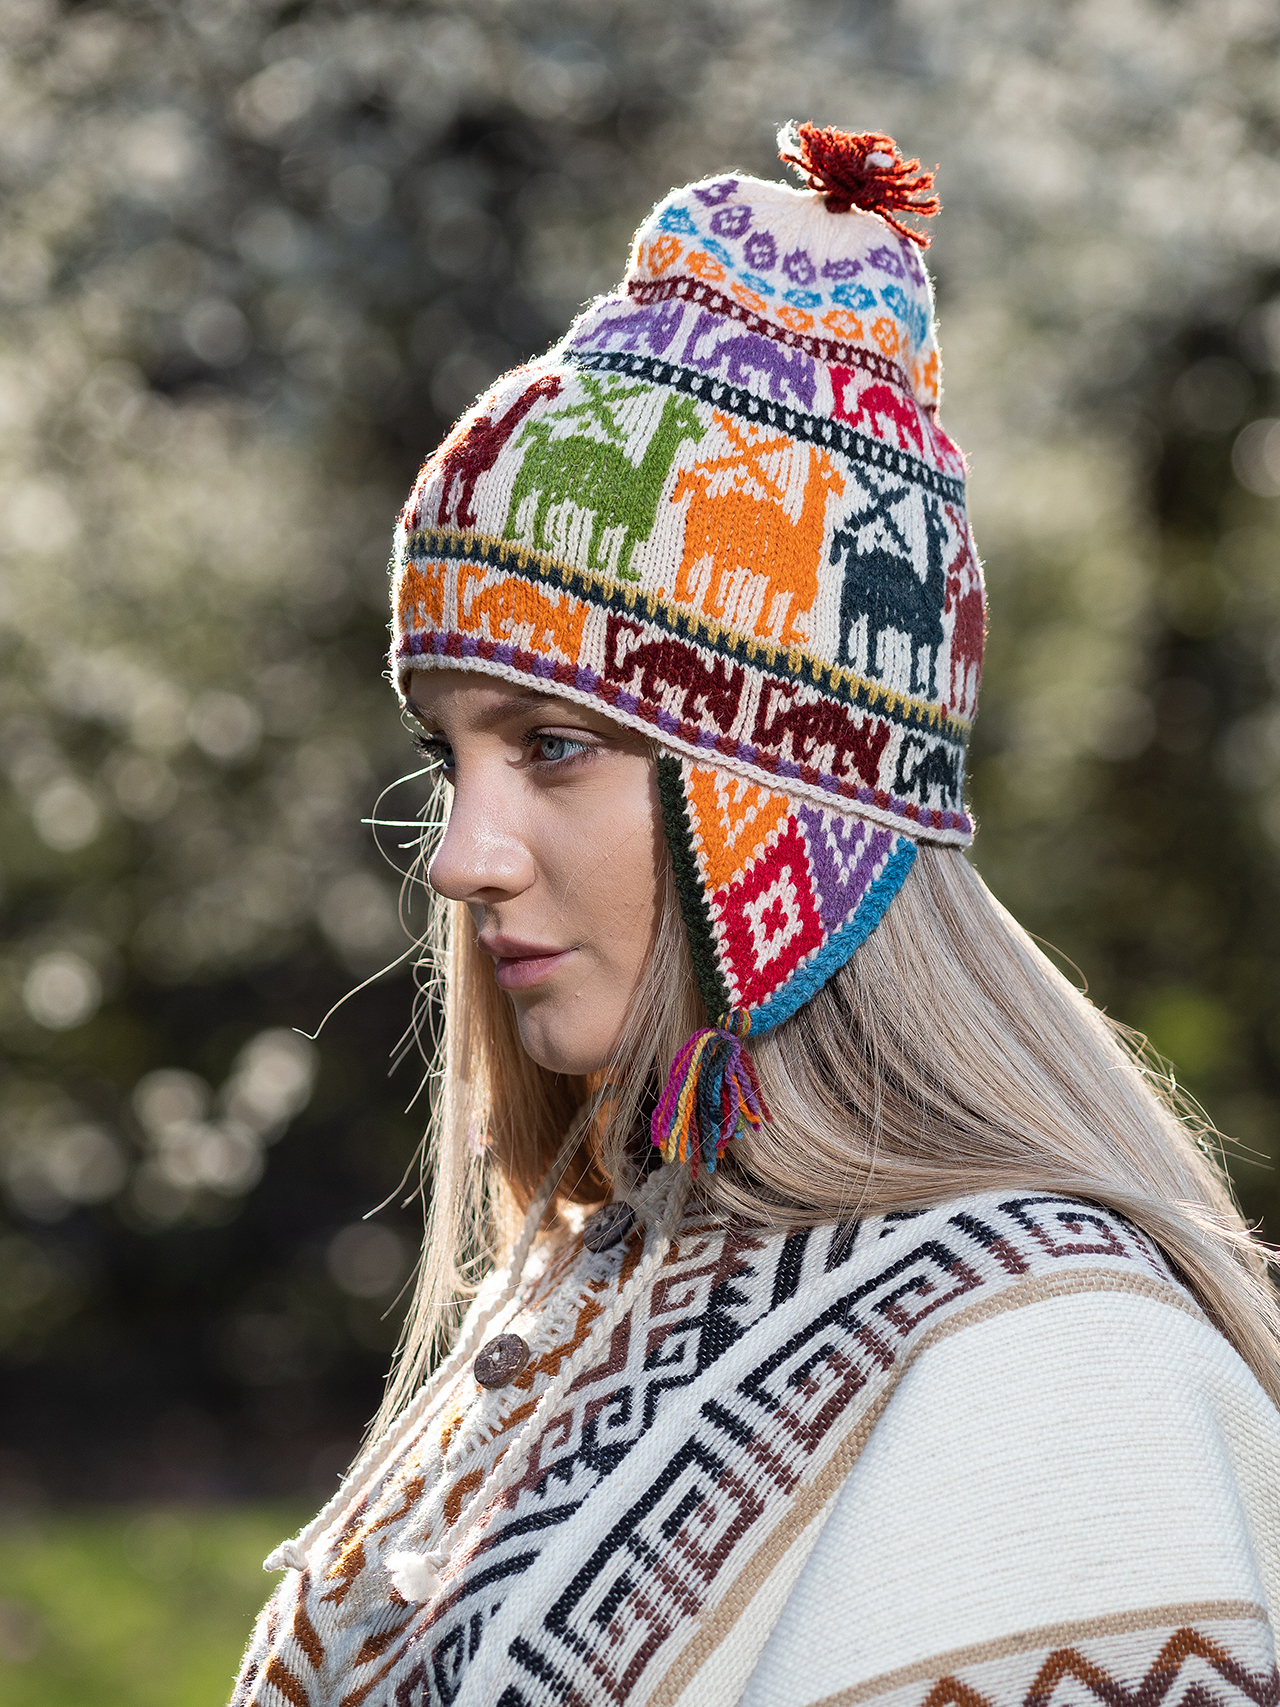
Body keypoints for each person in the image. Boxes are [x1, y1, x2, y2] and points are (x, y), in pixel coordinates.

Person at [231, 124, 1280, 1707]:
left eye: (554, 744)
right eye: (449, 757)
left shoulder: (1058, 1370)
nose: (460, 857)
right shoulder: (614, 1275)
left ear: (785, 805)